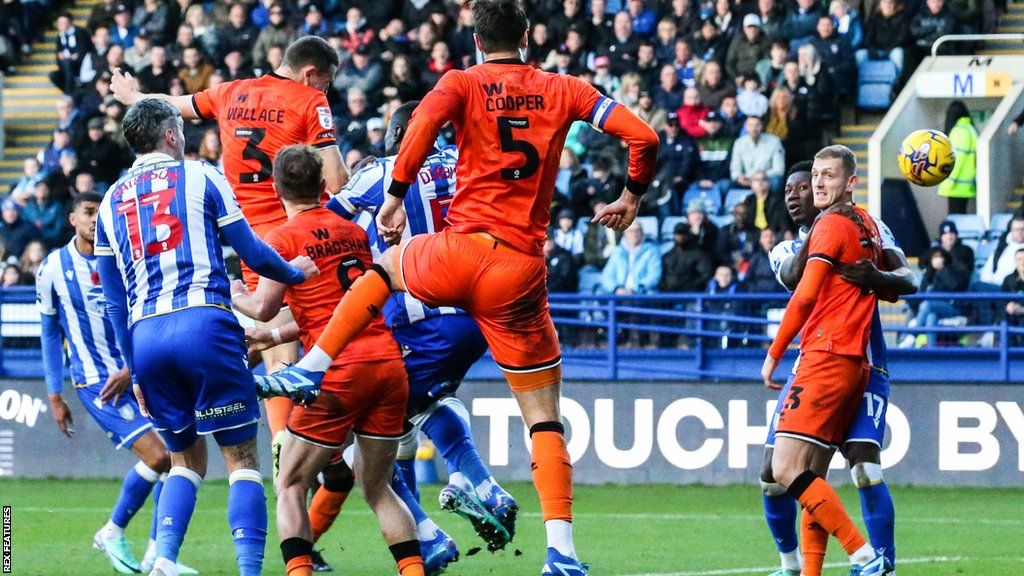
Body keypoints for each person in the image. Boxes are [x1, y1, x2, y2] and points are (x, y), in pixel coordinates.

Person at [255, 1, 659, 573]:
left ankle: (312, 366)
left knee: (386, 273)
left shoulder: (461, 83)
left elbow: (419, 128)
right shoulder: (566, 87)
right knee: (544, 421)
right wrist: (632, 194)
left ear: (473, 40)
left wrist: (394, 197)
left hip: (455, 256)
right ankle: (562, 553)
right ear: (526, 37)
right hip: (519, 271)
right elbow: (642, 135)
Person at [111, 39, 350, 537]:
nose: (327, 89)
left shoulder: (231, 91)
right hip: (288, 234)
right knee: (317, 328)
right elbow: (337, 176)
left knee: (269, 336)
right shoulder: (310, 101)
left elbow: (167, 112)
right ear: (311, 74)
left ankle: (298, 448)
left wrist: (133, 95)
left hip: (238, 249)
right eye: (326, 81)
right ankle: (294, 444)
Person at [94, 99, 318, 576]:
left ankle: (165, 560)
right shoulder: (202, 176)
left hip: (147, 337)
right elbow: (253, 251)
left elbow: (114, 301)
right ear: (172, 136)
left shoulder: (110, 201)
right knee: (241, 460)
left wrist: (133, 366)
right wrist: (294, 274)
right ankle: (250, 571)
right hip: (204, 322)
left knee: (183, 461)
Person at [316, 102, 518, 561]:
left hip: (423, 318)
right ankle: (473, 481)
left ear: (404, 132)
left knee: (362, 439)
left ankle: (428, 536)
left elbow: (324, 225)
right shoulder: (470, 166)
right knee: (424, 407)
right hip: (478, 315)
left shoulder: (383, 174)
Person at [229, 146, 427, 576]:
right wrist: (277, 335)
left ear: (276, 187)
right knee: (378, 490)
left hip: (337, 369)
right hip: (387, 363)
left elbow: (262, 305)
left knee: (290, 484)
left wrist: (233, 293)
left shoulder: (280, 239)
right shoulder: (353, 233)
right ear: (323, 187)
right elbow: (343, 307)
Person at [761, 147, 913, 576]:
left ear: (844, 182)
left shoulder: (863, 223)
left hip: (844, 358)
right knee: (790, 475)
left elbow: (908, 279)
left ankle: (874, 561)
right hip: (828, 357)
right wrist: (822, 233)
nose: (797, 194)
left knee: (858, 466)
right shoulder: (788, 246)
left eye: (809, 183)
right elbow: (795, 276)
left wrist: (877, 277)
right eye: (792, 187)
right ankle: (799, 567)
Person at [36, 192, 197, 576]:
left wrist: (132, 367)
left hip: (137, 372)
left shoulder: (123, 259)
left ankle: (158, 556)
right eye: (88, 213)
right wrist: (55, 394)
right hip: (95, 382)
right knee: (160, 457)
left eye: (99, 213)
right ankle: (113, 530)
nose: (94, 220)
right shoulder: (53, 268)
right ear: (73, 218)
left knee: (176, 459)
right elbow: (47, 332)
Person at [938, 100, 978, 215]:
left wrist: (947, 183)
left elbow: (956, 160)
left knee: (956, 219)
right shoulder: (969, 128)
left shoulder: (959, 131)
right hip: (966, 185)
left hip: (956, 186)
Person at [730, 115, 786, 191]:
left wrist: (758, 178)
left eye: (757, 125)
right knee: (725, 185)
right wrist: (739, 177)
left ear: (762, 126)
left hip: (766, 179)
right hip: (746, 180)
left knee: (776, 182)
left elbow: (779, 170)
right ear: (746, 127)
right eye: (750, 125)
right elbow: (735, 167)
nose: (754, 128)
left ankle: (772, 202)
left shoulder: (774, 141)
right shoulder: (739, 143)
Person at [660, 222, 713, 292]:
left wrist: (689, 285)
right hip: (668, 294)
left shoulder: (699, 255)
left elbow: (705, 275)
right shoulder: (667, 256)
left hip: (690, 294)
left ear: (689, 235)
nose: (680, 237)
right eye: (677, 234)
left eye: (683, 234)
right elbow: (661, 277)